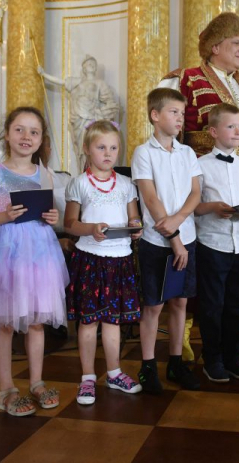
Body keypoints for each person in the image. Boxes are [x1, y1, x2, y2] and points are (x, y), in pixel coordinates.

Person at [159, 12, 239, 360]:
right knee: (204, 259)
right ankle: (187, 331)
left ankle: (230, 331)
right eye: (236, 43)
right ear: (214, 46)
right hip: (202, 181)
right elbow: (169, 130)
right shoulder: (186, 79)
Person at [0, 107, 68, 416]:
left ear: (41, 139)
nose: (27, 137)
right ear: (8, 133)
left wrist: (53, 217)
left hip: (39, 254)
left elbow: (50, 214)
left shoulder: (45, 173)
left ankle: (37, 382)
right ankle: (7, 388)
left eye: (34, 132)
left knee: (37, 320)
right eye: (20, 130)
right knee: (5, 323)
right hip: (6, 254)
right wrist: (2, 216)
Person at [64, 120, 143, 405]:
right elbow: (70, 223)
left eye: (113, 147)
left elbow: (133, 216)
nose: (108, 153)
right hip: (90, 259)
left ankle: (114, 372)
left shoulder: (125, 184)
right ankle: (87, 377)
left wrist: (136, 226)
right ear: (87, 149)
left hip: (120, 261)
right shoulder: (79, 183)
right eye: (101, 147)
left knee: (113, 321)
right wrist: (92, 228)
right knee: (88, 322)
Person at [131, 88, 202, 393]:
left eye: (181, 113)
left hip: (187, 236)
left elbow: (195, 193)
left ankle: (175, 362)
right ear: (155, 115)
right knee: (154, 305)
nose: (180, 118)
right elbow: (150, 198)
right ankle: (148, 366)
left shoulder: (187, 153)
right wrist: (173, 239)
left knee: (181, 302)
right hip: (158, 243)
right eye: (173, 112)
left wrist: (179, 219)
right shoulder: (143, 153)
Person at [195, 103, 239, 382]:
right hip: (212, 243)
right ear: (213, 131)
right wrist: (214, 208)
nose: (237, 131)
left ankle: (233, 357)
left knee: (235, 304)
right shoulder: (200, 165)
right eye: (230, 126)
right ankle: (213, 359)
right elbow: (194, 207)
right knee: (212, 305)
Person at [38, 55, 120, 172]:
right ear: (84, 68)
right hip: (78, 120)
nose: (91, 65)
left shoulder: (100, 83)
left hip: (93, 120)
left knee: (96, 146)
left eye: (93, 63)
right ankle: (84, 171)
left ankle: (96, 173)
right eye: (88, 64)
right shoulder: (77, 82)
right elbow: (61, 82)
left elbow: (110, 103)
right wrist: (44, 74)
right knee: (82, 150)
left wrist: (100, 112)